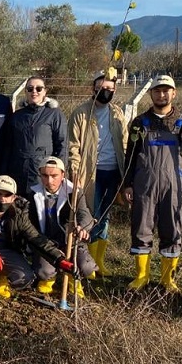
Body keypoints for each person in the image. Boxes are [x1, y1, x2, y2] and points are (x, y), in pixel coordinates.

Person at [122, 75, 182, 292]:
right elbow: (131, 155)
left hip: (173, 185)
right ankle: (142, 276)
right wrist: (127, 184)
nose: (161, 94)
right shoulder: (140, 123)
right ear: (151, 94)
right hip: (143, 185)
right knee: (141, 228)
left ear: (174, 93)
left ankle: (167, 279)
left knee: (172, 229)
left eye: (166, 91)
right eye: (157, 91)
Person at [0, 174, 75, 305]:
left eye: (7, 195)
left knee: (25, 278)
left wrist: (59, 259)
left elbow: (35, 238)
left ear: (14, 197)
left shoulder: (19, 214)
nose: (2, 199)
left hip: (6, 250)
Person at [68, 70, 128, 277]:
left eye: (110, 89)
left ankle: (99, 261)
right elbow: (73, 146)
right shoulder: (81, 113)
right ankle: (86, 260)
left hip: (113, 171)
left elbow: (125, 142)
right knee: (89, 215)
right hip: (89, 173)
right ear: (93, 88)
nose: (106, 92)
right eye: (102, 88)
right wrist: (75, 170)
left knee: (104, 216)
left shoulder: (117, 113)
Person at [28, 157, 97, 298]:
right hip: (46, 244)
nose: (50, 181)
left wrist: (82, 227)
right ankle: (48, 279)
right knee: (43, 271)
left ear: (63, 175)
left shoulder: (75, 193)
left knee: (86, 267)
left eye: (54, 176)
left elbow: (86, 214)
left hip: (71, 242)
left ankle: (74, 281)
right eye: (45, 176)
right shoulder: (32, 194)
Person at [4, 77, 67, 196]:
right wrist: (5, 171)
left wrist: (58, 172)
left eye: (39, 88)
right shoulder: (17, 116)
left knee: (40, 208)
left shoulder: (54, 114)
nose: (34, 92)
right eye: (30, 88)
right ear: (25, 91)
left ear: (45, 91)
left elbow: (62, 144)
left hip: (43, 172)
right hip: (18, 171)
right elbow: (8, 145)